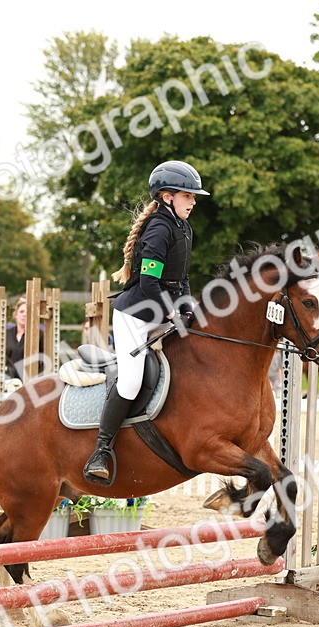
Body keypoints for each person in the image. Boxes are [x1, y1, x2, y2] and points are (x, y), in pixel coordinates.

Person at [83, 159, 207, 486]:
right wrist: (171, 310)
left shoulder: (183, 227)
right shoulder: (159, 228)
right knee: (131, 381)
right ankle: (101, 450)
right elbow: (150, 284)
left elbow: (181, 278)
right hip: (135, 317)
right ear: (167, 196)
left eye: (194, 197)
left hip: (162, 310)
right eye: (188, 196)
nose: (193, 201)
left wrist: (188, 306)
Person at [4, 298, 46, 380]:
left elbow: (44, 359)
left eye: (28, 312)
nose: (24, 315)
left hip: (30, 380)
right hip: (7, 380)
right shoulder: (6, 333)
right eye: (21, 311)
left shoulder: (39, 334)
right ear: (15, 315)